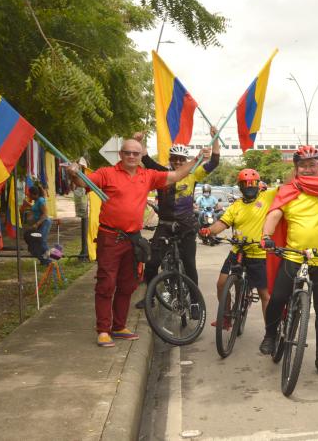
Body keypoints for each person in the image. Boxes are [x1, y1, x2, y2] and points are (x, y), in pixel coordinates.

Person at [66, 138, 209, 347]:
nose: (132, 156)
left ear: (141, 155)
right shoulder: (107, 173)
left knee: (128, 284)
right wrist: (74, 172)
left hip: (133, 239)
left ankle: (119, 326)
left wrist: (197, 159)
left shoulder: (148, 176)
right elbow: (82, 183)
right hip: (110, 237)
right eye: (127, 153)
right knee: (106, 284)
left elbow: (178, 175)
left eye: (136, 153)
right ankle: (104, 329)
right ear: (121, 155)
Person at [259, 145, 318, 377]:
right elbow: (275, 213)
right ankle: (270, 334)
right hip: (292, 257)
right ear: (296, 168)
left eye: (312, 164)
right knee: (277, 298)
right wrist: (267, 236)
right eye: (303, 165)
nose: (308, 169)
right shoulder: (288, 190)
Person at [135, 128, 221, 309]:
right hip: (165, 225)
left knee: (190, 265)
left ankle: (195, 304)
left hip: (186, 227)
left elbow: (214, 162)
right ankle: (149, 297)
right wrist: (139, 140)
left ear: (185, 160)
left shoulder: (194, 174)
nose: (178, 162)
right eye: (174, 158)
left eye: (181, 159)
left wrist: (215, 138)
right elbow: (145, 158)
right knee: (151, 263)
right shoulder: (161, 173)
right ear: (170, 159)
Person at [199, 169, 275, 324]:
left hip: (259, 254)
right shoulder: (236, 206)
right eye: (245, 184)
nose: (249, 186)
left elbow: (289, 186)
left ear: (258, 184)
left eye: (252, 183)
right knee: (221, 284)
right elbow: (221, 223)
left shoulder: (267, 197)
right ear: (240, 186)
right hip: (238, 251)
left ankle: (270, 335)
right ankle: (226, 316)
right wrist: (208, 231)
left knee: (264, 295)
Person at [22, 185, 52, 265]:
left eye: (29, 194)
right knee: (36, 240)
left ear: (34, 194)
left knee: (41, 240)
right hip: (40, 223)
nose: (28, 195)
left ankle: (48, 261)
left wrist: (37, 224)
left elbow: (45, 214)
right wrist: (28, 204)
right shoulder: (37, 201)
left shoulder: (41, 200)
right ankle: (43, 260)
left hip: (44, 222)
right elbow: (36, 209)